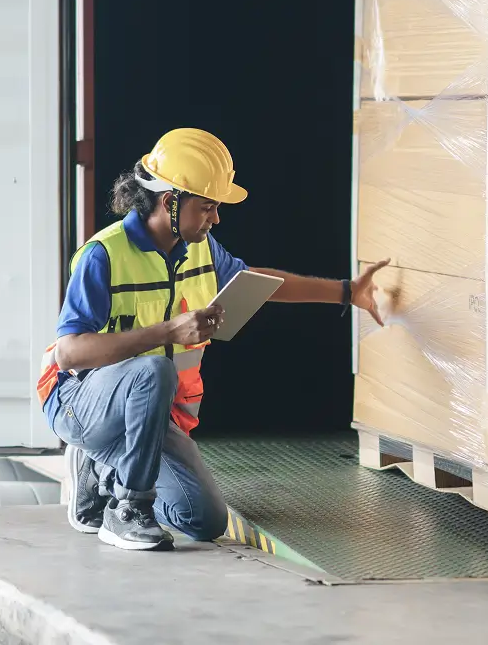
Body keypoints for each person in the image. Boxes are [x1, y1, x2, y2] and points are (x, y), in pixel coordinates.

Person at [35, 127, 391, 551]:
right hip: (77, 404)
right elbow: (70, 352)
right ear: (170, 202)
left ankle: (106, 472)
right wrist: (168, 331)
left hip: (149, 416)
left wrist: (347, 292)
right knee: (154, 368)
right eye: (207, 207)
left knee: (202, 519)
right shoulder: (104, 255)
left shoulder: (200, 248)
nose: (215, 218)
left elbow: (259, 283)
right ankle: (125, 510)